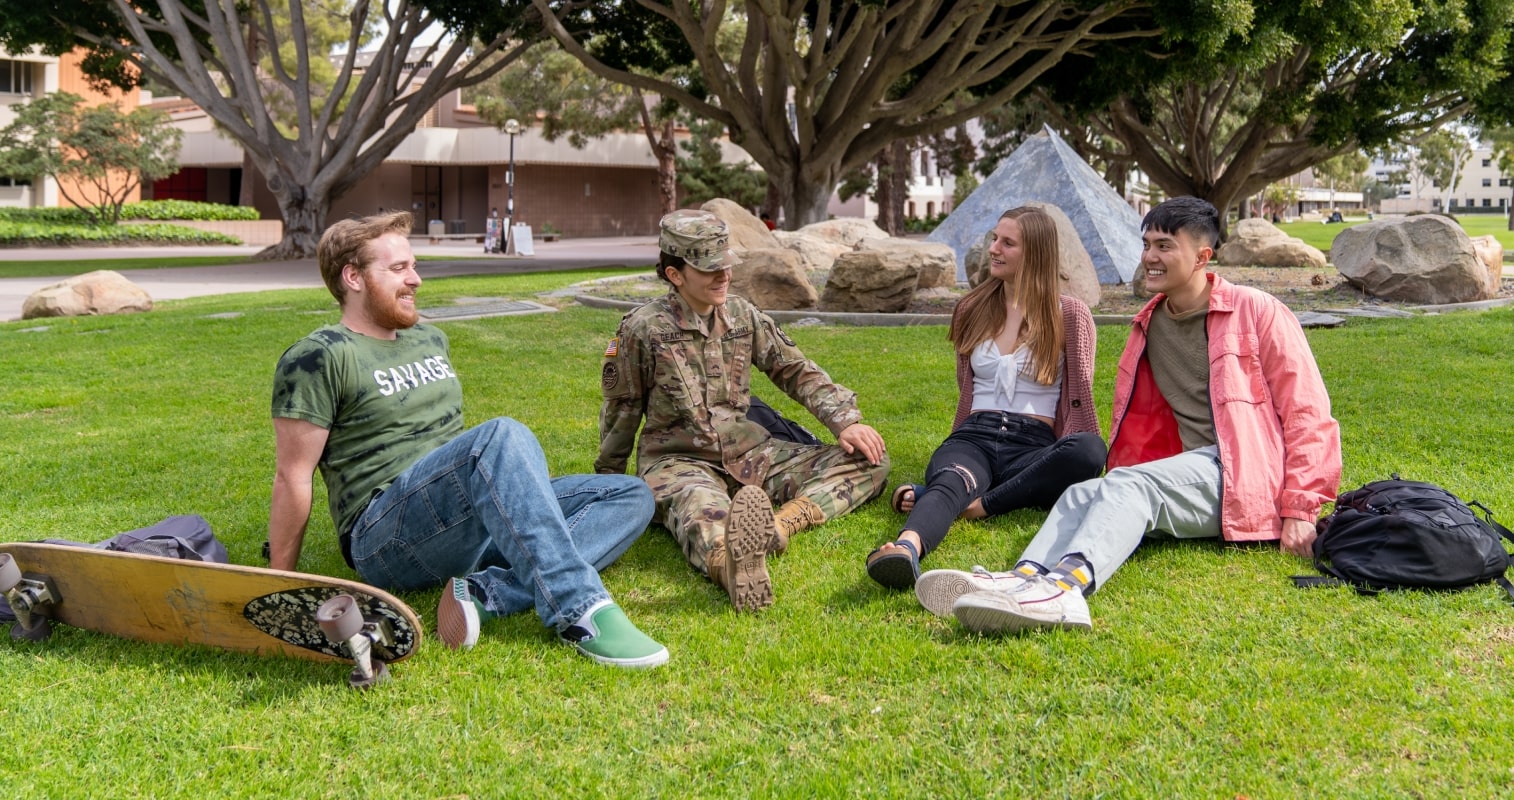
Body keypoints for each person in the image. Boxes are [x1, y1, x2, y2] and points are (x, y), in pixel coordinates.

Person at [916, 196, 1342, 633]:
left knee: (1126, 484)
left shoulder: (1258, 310)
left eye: (1163, 246)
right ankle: (1022, 578)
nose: (1149, 258)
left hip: (1244, 474)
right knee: (1081, 494)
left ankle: (1066, 591)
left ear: (1202, 256)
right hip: (1185, 472)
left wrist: (1300, 509)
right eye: (1146, 245)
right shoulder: (1148, 324)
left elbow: (1308, 412)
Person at [269, 210, 668, 668]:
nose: (415, 279)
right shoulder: (319, 356)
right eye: (398, 269)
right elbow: (292, 475)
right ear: (353, 277)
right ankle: (581, 611)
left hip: (460, 519)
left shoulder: (430, 339)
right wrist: (277, 584)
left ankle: (485, 592)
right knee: (501, 436)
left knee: (632, 495)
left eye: (413, 266)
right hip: (384, 535)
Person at [597, 210, 891, 612]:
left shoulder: (742, 315)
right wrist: (608, 486)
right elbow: (622, 411)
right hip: (680, 462)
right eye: (710, 270)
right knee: (699, 509)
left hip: (752, 456)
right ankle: (729, 567)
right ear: (675, 274)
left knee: (871, 460)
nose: (724, 276)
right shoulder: (643, 330)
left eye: (726, 266)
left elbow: (794, 370)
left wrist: (845, 420)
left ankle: (780, 524)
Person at [865, 206, 1106, 590]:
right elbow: (969, 390)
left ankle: (979, 503)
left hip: (1033, 446)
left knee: (1089, 451)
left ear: (1035, 254)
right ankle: (905, 549)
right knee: (953, 479)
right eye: (995, 238)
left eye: (1007, 243)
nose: (994, 248)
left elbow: (1080, 396)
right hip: (974, 437)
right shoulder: (972, 309)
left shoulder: (1070, 315)